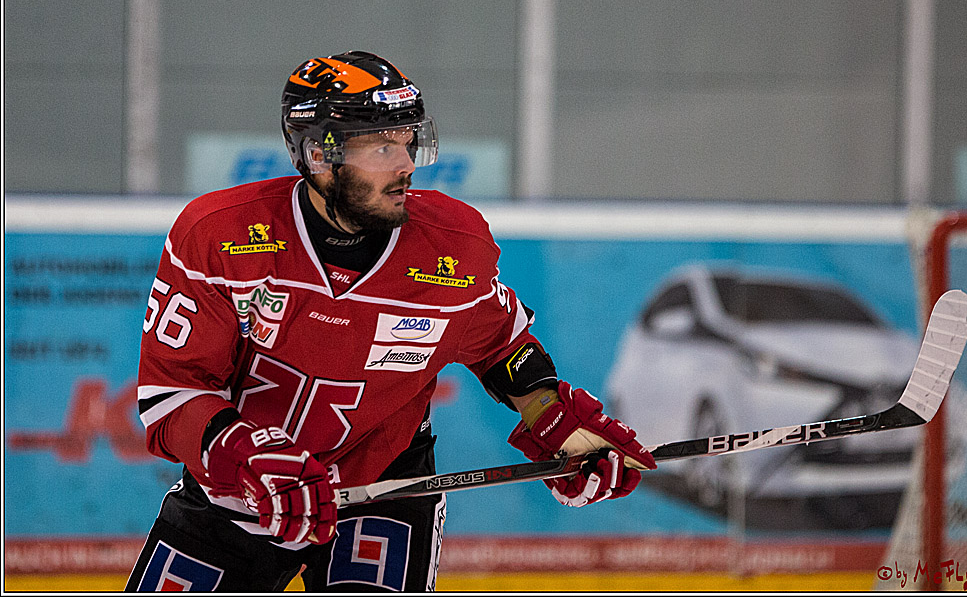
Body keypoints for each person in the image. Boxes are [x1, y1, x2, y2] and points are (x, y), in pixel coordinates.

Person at [126, 51, 656, 592]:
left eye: (407, 141)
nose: (405, 163)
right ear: (318, 154)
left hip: (387, 490)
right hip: (240, 491)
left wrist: (554, 419)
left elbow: (502, 345)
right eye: (382, 146)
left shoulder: (454, 247)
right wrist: (245, 454)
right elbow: (174, 392)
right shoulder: (221, 235)